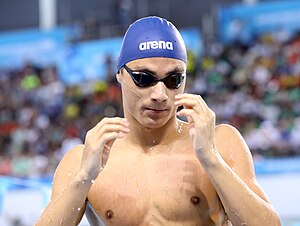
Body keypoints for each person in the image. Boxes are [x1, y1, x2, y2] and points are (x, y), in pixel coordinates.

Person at [35, 16, 281, 226]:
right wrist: (83, 178)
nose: (160, 95)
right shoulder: (83, 159)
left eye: (173, 79)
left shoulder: (221, 142)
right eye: (144, 78)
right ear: (120, 75)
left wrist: (211, 159)